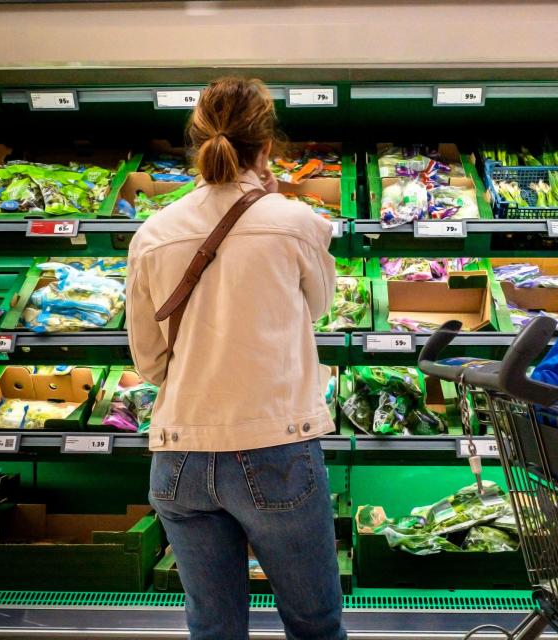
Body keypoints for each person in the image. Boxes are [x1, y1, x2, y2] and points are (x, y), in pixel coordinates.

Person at [126, 76, 346, 640]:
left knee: (214, 628)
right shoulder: (297, 222)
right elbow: (320, 306)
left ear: (197, 143)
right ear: (266, 146)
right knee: (313, 622)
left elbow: (149, 360)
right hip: (275, 446)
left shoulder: (153, 232)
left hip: (179, 454)